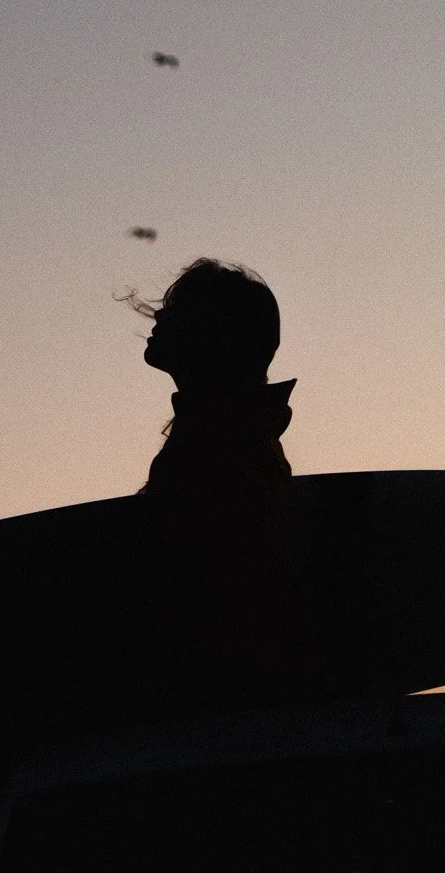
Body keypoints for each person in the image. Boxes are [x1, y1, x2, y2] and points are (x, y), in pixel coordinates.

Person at [132, 259, 327, 707]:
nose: (160, 316)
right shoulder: (226, 432)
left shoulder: (222, 445)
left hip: (222, 705)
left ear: (215, 336)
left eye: (178, 309)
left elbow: (219, 596)